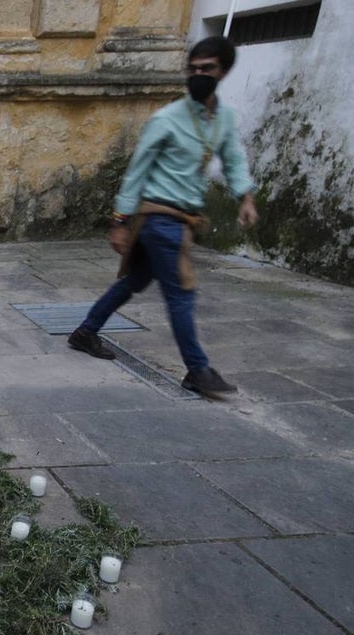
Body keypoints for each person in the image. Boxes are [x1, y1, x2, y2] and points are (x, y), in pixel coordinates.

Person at [67, 35, 259, 398]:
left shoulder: (225, 119)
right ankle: (197, 371)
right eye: (194, 69)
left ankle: (86, 331)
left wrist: (245, 198)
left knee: (134, 282)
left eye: (208, 69)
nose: (199, 75)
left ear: (225, 70)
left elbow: (233, 158)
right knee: (181, 294)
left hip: (183, 219)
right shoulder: (167, 119)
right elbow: (137, 170)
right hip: (158, 220)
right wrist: (120, 221)